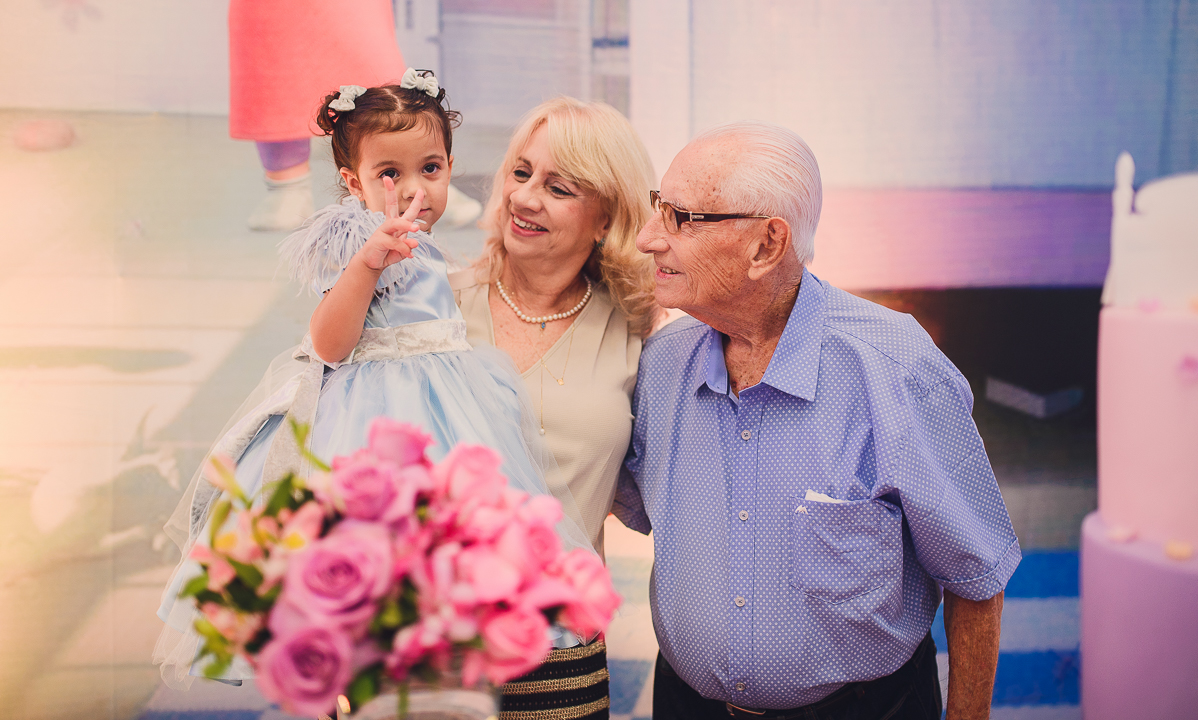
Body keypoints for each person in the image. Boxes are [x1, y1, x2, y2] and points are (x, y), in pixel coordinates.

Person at [155, 73, 589, 687]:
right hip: (377, 419)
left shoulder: (429, 245)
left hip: (448, 407)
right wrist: (367, 263)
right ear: (352, 182)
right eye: (390, 174)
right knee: (375, 547)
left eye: (430, 169)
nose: (414, 189)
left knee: (458, 541)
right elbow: (331, 343)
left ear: (450, 166)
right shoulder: (357, 241)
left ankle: (439, 638)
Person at [613, 122, 1021, 720]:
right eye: (657, 208)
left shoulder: (897, 369)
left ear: (767, 245)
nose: (649, 238)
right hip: (686, 704)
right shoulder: (661, 366)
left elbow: (975, 575)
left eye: (681, 218)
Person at [449, 97, 661, 720]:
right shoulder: (433, 308)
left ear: (606, 219)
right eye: (521, 173)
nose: (525, 197)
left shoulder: (639, 332)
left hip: (560, 650)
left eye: (558, 187)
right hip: (424, 638)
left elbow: (654, 488)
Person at [166, 0, 452, 231]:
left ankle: (417, 175)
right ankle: (287, 185)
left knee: (379, 90)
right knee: (274, 83)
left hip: (350, 6)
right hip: (272, 6)